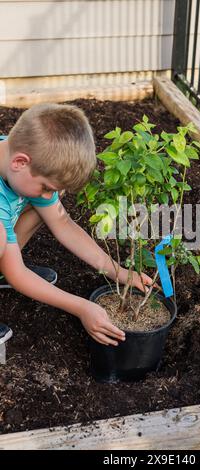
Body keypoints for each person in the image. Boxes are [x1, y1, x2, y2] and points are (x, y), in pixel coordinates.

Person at [0, 103, 153, 347]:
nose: (51, 192)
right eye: (48, 186)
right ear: (20, 163)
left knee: (48, 206)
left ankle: (4, 262)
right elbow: (17, 274)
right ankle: (5, 261)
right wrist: (81, 307)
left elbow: (62, 222)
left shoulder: (18, 154)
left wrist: (118, 271)